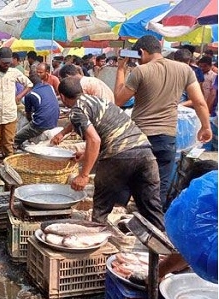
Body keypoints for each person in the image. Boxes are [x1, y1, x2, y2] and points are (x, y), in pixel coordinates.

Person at [51, 77, 165, 231]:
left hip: (119, 154)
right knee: (151, 206)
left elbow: (95, 140)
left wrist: (83, 175)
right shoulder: (96, 101)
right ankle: (162, 247)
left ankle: (99, 240)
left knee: (101, 209)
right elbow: (107, 133)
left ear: (63, 97)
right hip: (145, 152)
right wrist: (85, 154)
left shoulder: (76, 110)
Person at [114, 35, 212, 205]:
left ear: (141, 52)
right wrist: (205, 126)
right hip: (167, 138)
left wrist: (121, 70)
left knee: (131, 181)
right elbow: (200, 102)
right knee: (160, 186)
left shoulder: (140, 71)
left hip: (140, 137)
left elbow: (118, 100)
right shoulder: (184, 70)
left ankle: (124, 217)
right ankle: (154, 223)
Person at [0, 47, 33, 157]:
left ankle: (8, 167)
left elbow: (29, 85)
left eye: (8, 63)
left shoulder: (14, 73)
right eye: (4, 62)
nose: (6, 65)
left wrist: (19, 96)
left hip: (10, 115)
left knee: (8, 145)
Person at [14, 72, 59, 149]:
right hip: (54, 120)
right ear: (41, 81)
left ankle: (14, 148)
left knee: (16, 138)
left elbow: (28, 114)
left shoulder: (30, 94)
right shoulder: (50, 87)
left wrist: (30, 124)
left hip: (40, 123)